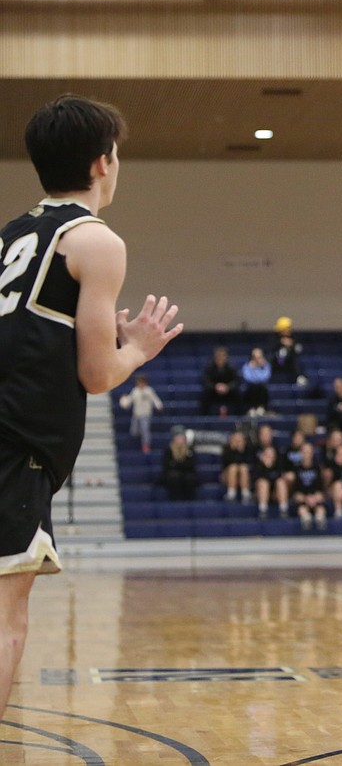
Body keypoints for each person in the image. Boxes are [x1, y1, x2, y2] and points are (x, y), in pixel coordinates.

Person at [0, 92, 181, 725]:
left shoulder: (13, 233)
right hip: (17, 441)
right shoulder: (96, 241)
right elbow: (97, 373)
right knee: (5, 621)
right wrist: (137, 348)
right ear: (103, 163)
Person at [118, 373, 163, 453]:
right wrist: (124, 402)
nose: (140, 384)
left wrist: (158, 405)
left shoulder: (149, 391)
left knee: (145, 430)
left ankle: (146, 445)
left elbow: (155, 399)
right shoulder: (135, 391)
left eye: (142, 382)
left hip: (145, 414)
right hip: (136, 415)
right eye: (139, 382)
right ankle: (141, 437)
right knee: (134, 432)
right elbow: (129, 400)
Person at [199, 346, 239, 416]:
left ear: (226, 357)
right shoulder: (209, 368)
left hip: (228, 392)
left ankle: (238, 417)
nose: (220, 358)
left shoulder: (232, 368)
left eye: (222, 356)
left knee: (238, 395)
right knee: (204, 395)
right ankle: (205, 417)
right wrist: (215, 387)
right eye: (218, 356)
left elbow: (236, 381)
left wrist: (227, 387)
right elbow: (206, 381)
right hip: (214, 392)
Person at [160, 428, 199, 500]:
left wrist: (176, 464)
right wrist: (181, 464)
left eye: (182, 437)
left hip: (187, 473)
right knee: (174, 477)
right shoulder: (169, 450)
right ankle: (176, 499)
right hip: (173, 474)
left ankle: (189, 499)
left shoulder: (190, 450)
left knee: (189, 478)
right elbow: (167, 465)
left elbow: (191, 464)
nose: (180, 439)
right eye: (178, 437)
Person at [269, 316, 306, 386]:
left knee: (297, 361)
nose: (288, 330)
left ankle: (299, 377)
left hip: (290, 363)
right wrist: (281, 342)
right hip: (277, 363)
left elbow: (298, 349)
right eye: (286, 329)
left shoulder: (293, 337)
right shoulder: (274, 337)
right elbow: (272, 348)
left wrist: (291, 345)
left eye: (289, 328)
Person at [220, 429, 252, 503]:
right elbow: (226, 462)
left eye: (240, 440)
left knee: (243, 468)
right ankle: (231, 494)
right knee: (233, 467)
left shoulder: (248, 450)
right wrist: (234, 450)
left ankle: (245, 494)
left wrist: (241, 451)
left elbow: (249, 462)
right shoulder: (227, 449)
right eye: (236, 440)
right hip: (229, 475)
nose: (238, 443)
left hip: (245, 475)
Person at [240, 347, 271, 416]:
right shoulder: (247, 366)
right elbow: (247, 378)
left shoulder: (266, 366)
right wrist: (252, 368)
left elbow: (265, 377)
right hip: (250, 389)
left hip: (262, 389)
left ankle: (261, 408)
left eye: (259, 357)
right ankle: (251, 409)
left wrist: (260, 368)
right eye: (255, 357)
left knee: (261, 387)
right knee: (253, 387)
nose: (257, 359)